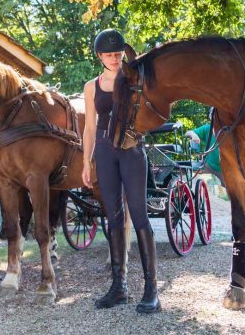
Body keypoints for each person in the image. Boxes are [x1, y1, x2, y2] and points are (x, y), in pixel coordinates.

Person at [82, 29, 161, 314]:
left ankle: (151, 289)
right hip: (103, 150)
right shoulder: (91, 87)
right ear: (100, 56)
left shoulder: (132, 78)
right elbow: (90, 127)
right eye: (109, 54)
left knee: (139, 215)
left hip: (130, 148)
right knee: (112, 216)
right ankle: (119, 287)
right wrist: (85, 161)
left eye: (118, 53)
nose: (115, 58)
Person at [185, 122, 225, 187]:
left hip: (226, 169)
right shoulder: (208, 128)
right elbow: (188, 133)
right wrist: (194, 135)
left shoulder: (231, 129)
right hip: (207, 165)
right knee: (186, 169)